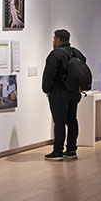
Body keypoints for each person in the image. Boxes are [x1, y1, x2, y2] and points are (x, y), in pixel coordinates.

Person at [42, 29, 86, 161]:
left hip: (59, 93)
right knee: (72, 120)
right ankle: (71, 149)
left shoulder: (56, 54)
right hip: (74, 92)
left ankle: (58, 151)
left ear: (58, 40)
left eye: (54, 39)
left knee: (59, 122)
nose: (53, 41)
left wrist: (46, 89)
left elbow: (49, 74)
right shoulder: (76, 52)